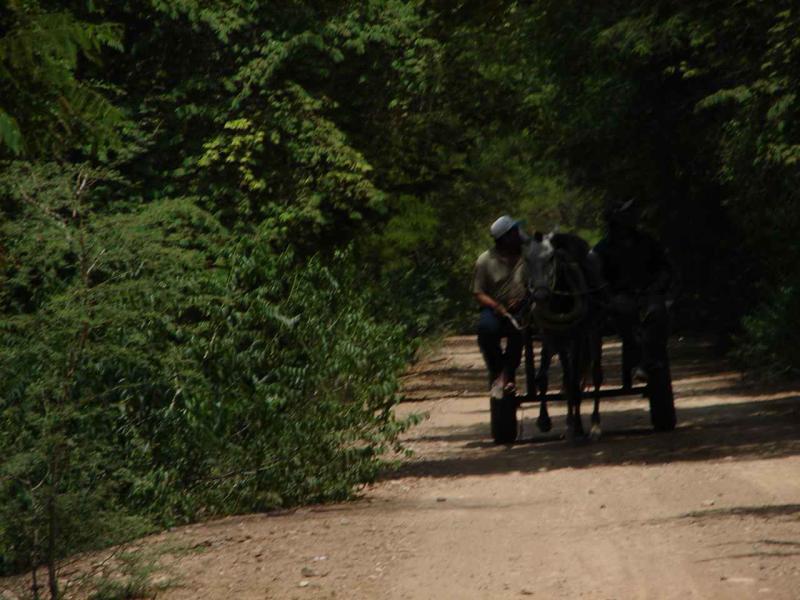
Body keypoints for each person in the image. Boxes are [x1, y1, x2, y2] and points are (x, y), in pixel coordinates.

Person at [591, 200, 675, 388]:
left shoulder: (647, 242)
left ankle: (649, 362)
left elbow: (664, 268)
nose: (631, 218)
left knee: (657, 315)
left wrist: (656, 287)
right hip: (618, 299)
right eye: (626, 215)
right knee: (627, 319)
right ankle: (638, 363)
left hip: (647, 295)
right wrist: (610, 297)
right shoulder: (602, 249)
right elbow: (597, 280)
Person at [473, 215, 529, 399]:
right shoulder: (485, 260)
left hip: (523, 308)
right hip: (496, 309)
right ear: (504, 238)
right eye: (514, 232)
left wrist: (524, 299)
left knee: (519, 330)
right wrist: (497, 306)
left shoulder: (528, 256)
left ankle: (506, 375)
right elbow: (479, 293)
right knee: (485, 329)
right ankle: (498, 372)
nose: (519, 235)